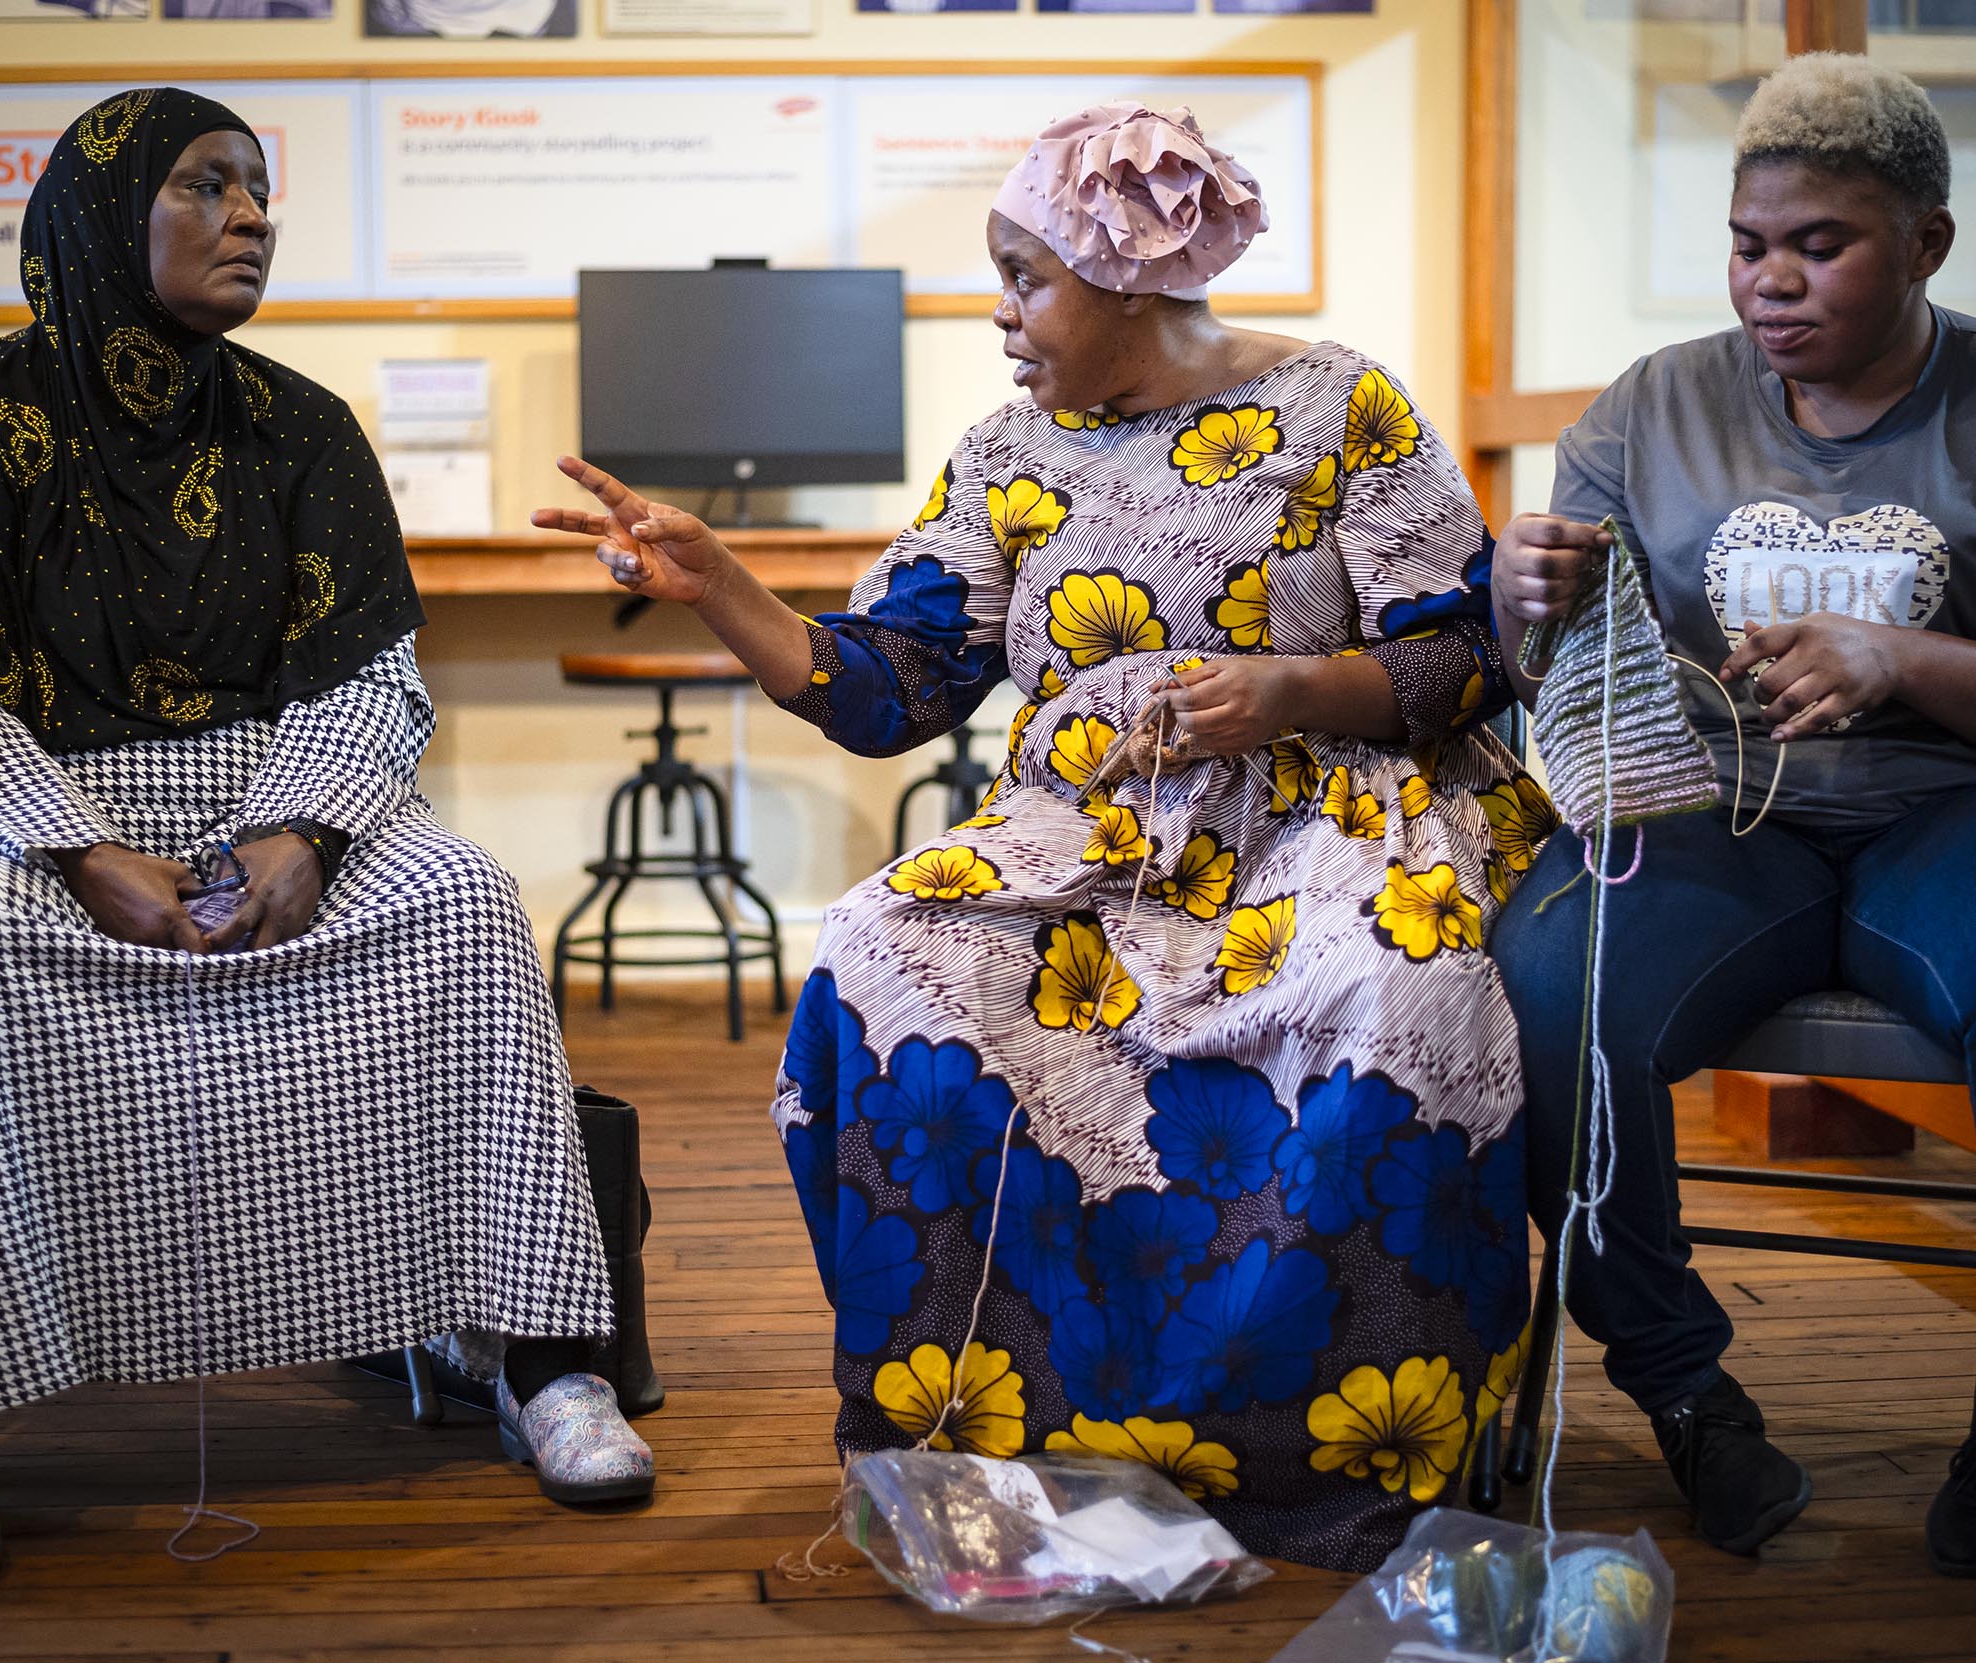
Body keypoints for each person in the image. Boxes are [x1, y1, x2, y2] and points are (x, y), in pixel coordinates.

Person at [539, 103, 1545, 1571]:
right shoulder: (1012, 448)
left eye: (1026, 277)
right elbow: (890, 687)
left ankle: (1317, 1448)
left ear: (1130, 270)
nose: (1001, 313)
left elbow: (1465, 657)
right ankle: (991, 1435)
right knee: (889, 945)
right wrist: (722, 586)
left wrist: (1290, 691)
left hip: (1329, 823)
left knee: (1394, 996)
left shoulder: (1345, 407)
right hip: (1084, 838)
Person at [0, 88, 650, 1580]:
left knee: (466, 898)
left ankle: (540, 1358)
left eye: (259, 192)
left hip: (268, 797)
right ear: (101, 212)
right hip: (16, 808)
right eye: (207, 186)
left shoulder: (302, 427)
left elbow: (367, 675)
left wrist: (306, 837)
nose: (252, 217)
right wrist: (82, 854)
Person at [1489, 55, 1976, 1577]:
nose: (1773, 281)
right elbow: (1541, 670)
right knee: (1544, 975)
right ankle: (1682, 1389)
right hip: (1724, 814)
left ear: (1927, 242)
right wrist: (1519, 600)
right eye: (1750, 243)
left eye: (1823, 244)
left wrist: (1902, 657)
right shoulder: (1653, 408)